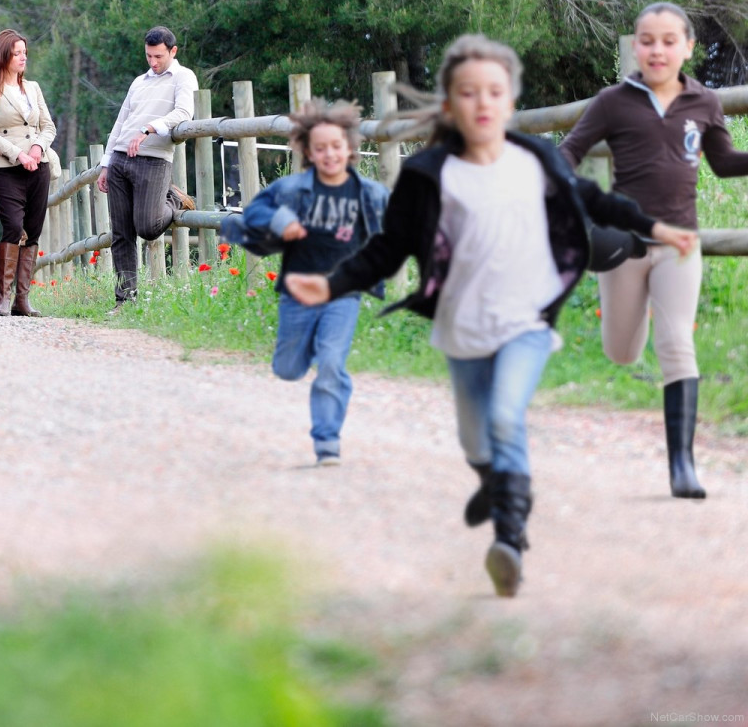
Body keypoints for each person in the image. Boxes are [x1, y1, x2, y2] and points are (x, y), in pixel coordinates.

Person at [285, 35, 697, 597]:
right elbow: (389, 249)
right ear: (451, 105)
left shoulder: (537, 160)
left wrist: (653, 228)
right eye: (469, 93)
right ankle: (494, 477)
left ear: (509, 101)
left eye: (495, 92)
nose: (483, 102)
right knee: (475, 439)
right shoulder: (429, 174)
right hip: (461, 325)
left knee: (506, 418)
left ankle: (509, 539)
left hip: (526, 321)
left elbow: (592, 199)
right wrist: (332, 283)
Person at [560, 2, 748, 500]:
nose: (657, 50)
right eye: (647, 40)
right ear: (636, 46)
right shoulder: (613, 101)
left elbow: (725, 164)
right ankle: (632, 320)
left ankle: (682, 467)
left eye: (669, 40)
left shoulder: (704, 102)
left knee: (676, 346)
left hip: (680, 243)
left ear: (688, 46)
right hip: (623, 247)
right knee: (622, 351)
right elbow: (567, 155)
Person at [220, 99, 389, 466]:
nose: (329, 154)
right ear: (309, 153)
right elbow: (256, 211)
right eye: (320, 148)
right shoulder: (294, 188)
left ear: (349, 148)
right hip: (298, 293)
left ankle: (327, 441)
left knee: (331, 363)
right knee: (288, 368)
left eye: (336, 146)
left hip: (342, 294)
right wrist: (283, 222)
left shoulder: (370, 194)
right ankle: (311, 345)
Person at [96, 26, 199, 312]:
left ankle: (173, 197)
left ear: (173, 51)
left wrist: (149, 128)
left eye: (158, 56)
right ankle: (125, 301)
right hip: (120, 160)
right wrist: (105, 164)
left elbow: (184, 113)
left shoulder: (183, 76)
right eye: (148, 56)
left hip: (153, 157)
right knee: (121, 233)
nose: (153, 62)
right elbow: (120, 122)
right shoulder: (138, 82)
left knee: (148, 227)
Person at [0, 29, 57, 317]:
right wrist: (17, 154)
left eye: (25, 52)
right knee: (13, 227)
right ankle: (3, 296)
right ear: (3, 56)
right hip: (5, 170)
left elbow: (49, 126)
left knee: (32, 232)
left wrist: (36, 149)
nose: (24, 57)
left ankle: (23, 300)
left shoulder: (32, 88)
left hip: (38, 167)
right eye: (17, 52)